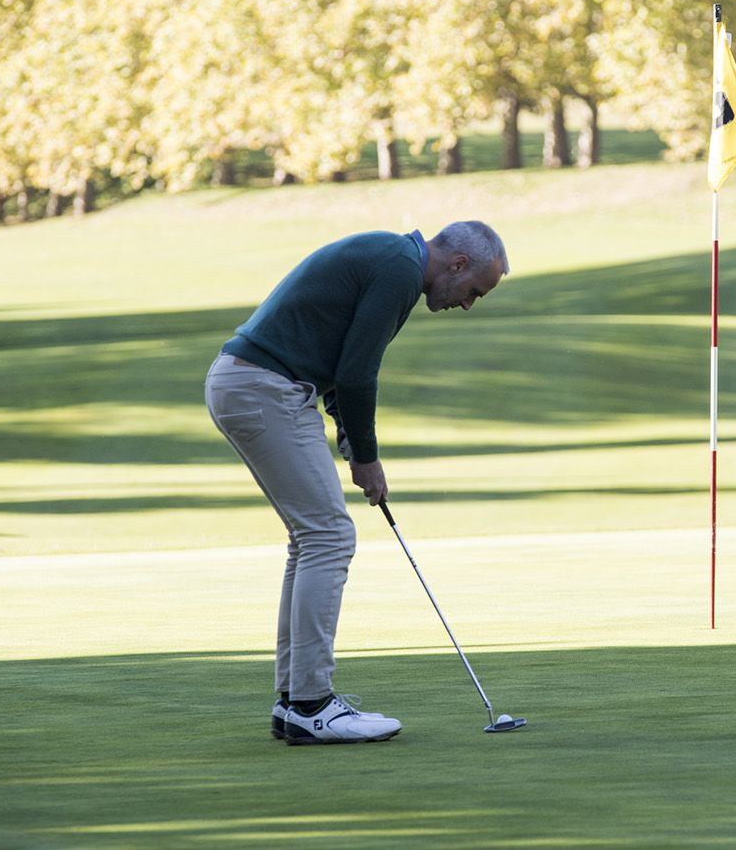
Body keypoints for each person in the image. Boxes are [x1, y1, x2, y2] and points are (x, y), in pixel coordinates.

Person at [204, 220, 509, 745]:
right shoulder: (397, 269)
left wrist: (351, 442)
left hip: (253, 384)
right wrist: (366, 457)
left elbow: (341, 368)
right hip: (265, 387)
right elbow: (357, 374)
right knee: (329, 536)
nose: (468, 304)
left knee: (311, 539)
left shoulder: (393, 261)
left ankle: (295, 702)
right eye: (474, 291)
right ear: (457, 264)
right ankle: (311, 704)